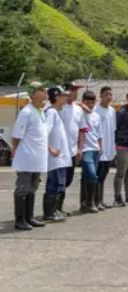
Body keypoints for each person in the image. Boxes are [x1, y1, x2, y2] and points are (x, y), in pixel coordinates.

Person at [11, 82, 48, 231]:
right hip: (26, 158)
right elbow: (16, 136)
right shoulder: (26, 112)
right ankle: (20, 220)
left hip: (36, 159)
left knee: (32, 188)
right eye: (41, 90)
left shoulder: (40, 111)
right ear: (32, 94)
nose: (44, 93)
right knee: (22, 188)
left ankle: (29, 217)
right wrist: (16, 152)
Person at [43, 86, 71, 223]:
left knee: (57, 184)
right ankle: (49, 213)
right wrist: (50, 148)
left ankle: (53, 211)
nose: (66, 97)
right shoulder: (51, 113)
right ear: (56, 97)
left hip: (60, 157)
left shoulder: (56, 112)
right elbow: (45, 133)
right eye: (63, 95)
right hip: (55, 157)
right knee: (54, 184)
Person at [58, 81, 83, 215]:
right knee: (58, 181)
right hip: (59, 151)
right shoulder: (59, 108)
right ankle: (54, 209)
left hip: (72, 151)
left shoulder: (78, 109)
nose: (75, 93)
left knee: (68, 180)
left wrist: (79, 148)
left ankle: (58, 207)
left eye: (76, 90)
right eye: (73, 90)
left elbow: (80, 130)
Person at [78, 91, 102, 213]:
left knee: (87, 177)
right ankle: (89, 202)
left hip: (95, 149)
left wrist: (100, 147)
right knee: (92, 176)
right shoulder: (79, 112)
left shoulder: (96, 116)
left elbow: (98, 134)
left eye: (92, 102)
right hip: (85, 149)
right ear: (83, 101)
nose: (90, 105)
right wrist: (81, 105)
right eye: (87, 102)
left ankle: (85, 203)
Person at [94, 86, 116, 211]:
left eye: (110, 95)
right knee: (97, 175)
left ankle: (100, 200)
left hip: (108, 148)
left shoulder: (112, 111)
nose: (109, 97)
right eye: (106, 94)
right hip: (99, 148)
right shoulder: (96, 109)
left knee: (103, 175)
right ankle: (95, 201)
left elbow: (113, 130)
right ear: (101, 96)